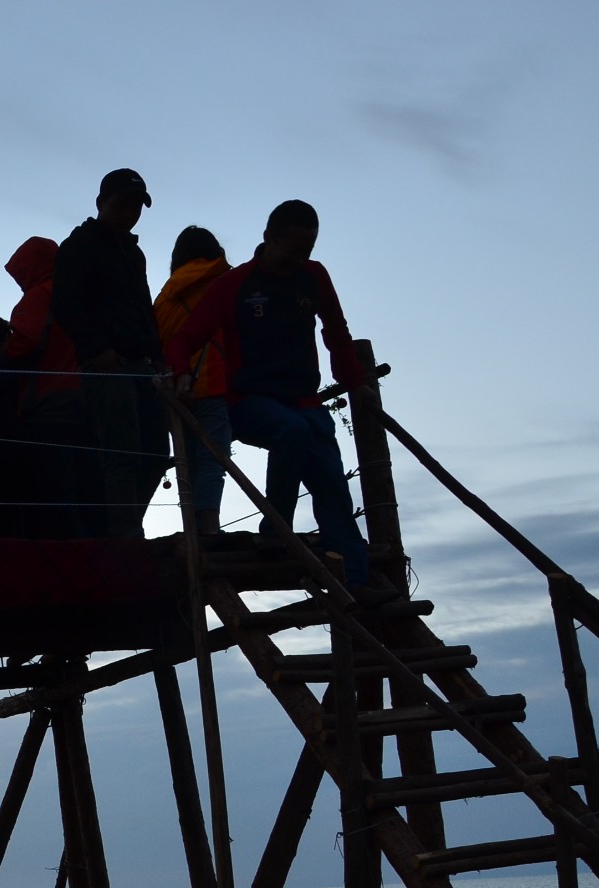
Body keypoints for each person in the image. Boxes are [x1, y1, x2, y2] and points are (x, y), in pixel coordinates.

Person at [165, 199, 379, 595]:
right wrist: (180, 373)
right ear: (268, 239)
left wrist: (353, 384)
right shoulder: (235, 284)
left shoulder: (314, 277)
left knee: (332, 481)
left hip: (305, 401)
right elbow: (185, 339)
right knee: (292, 431)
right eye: (293, 249)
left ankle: (358, 580)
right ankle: (275, 529)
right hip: (249, 401)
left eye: (308, 250)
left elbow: (336, 332)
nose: (300, 258)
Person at [52, 169, 168, 537]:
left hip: (143, 368)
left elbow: (143, 309)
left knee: (154, 454)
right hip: (109, 367)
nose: (130, 213)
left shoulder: (133, 253)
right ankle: (124, 536)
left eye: (136, 206)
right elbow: (65, 303)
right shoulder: (80, 245)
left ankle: (126, 527)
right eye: (123, 205)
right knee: (121, 453)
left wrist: (159, 357)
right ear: (101, 203)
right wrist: (96, 350)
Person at [3, 236, 90, 539]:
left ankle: (62, 558)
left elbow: (24, 342)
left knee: (52, 489)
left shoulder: (40, 295)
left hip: (48, 401)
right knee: (84, 485)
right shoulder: (77, 294)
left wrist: (0, 350)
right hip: (85, 399)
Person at [154, 226, 234, 537]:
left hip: (178, 391)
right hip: (215, 383)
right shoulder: (224, 282)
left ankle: (193, 531)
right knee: (214, 458)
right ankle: (210, 527)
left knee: (188, 466)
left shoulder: (164, 297)